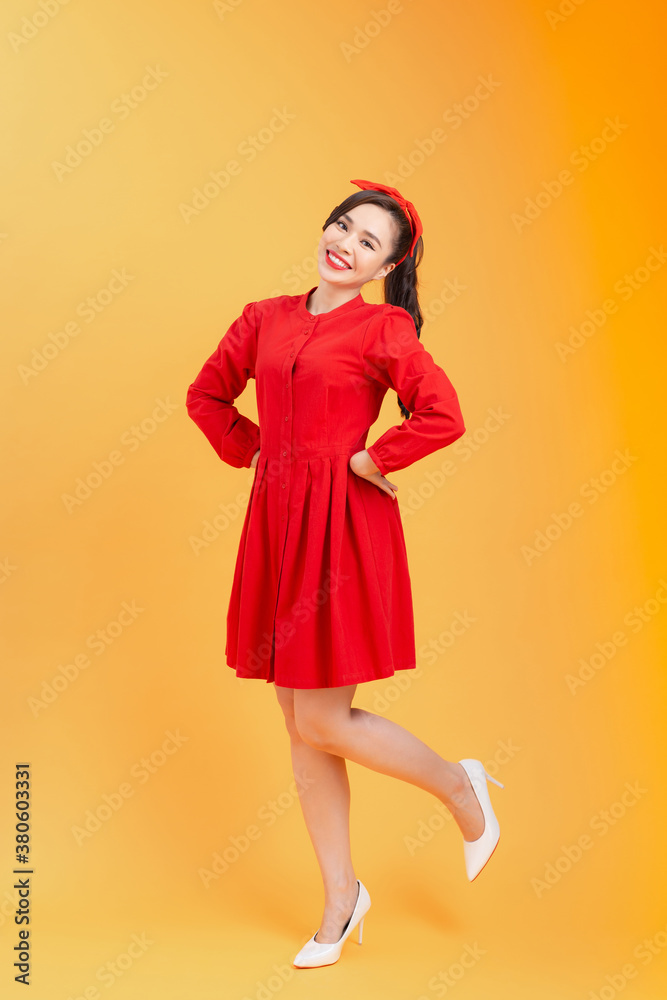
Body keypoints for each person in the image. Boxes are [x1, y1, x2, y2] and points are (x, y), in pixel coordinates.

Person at [185, 179, 505, 969]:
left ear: (384, 267)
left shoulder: (383, 328)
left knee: (323, 719)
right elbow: (206, 396)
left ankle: (459, 788)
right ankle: (340, 896)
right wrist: (256, 449)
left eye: (368, 242)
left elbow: (442, 414)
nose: (345, 243)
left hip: (341, 528)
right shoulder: (263, 318)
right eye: (342, 226)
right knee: (300, 726)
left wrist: (369, 457)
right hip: (276, 522)